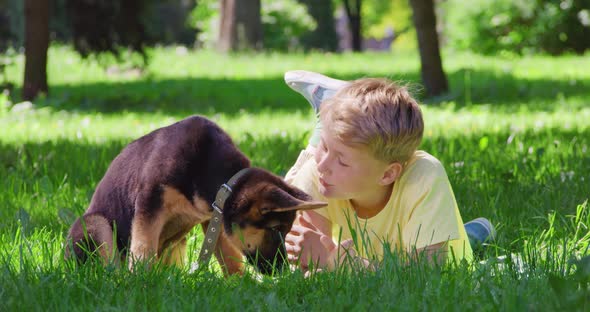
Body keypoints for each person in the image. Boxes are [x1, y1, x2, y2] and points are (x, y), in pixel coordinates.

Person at [282, 70, 495, 272]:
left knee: (464, 245)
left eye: (343, 162)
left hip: (430, 250)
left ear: (387, 174)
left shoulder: (424, 177)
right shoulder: (319, 174)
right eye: (324, 146)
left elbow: (425, 275)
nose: (323, 165)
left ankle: (479, 230)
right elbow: (308, 266)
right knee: (291, 187)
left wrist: (342, 266)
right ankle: (328, 110)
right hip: (379, 254)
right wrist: (313, 262)